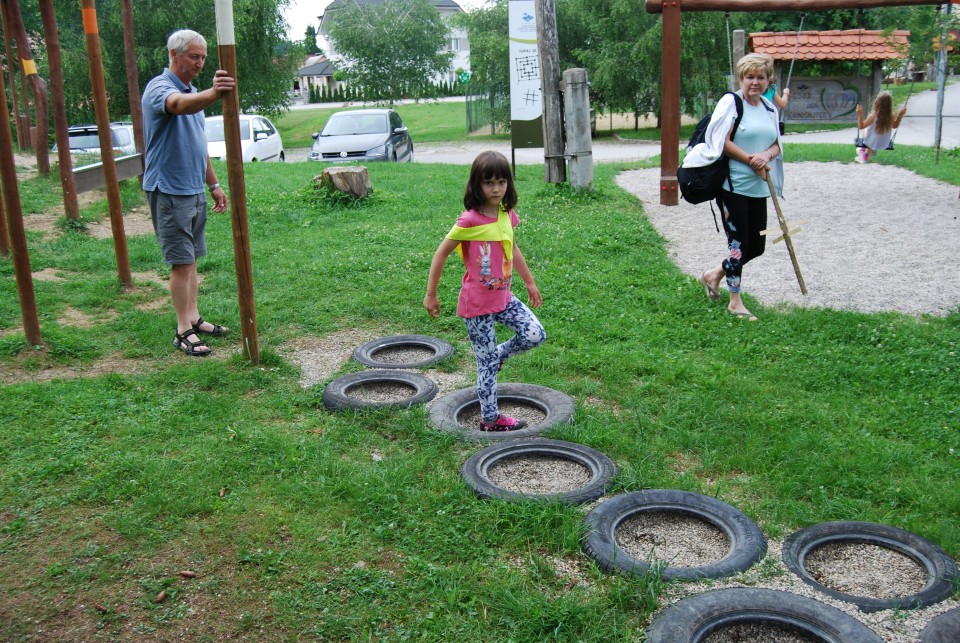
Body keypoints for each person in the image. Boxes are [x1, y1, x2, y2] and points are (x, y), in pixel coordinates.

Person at [423, 151, 546, 431]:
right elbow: (440, 254)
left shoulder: (507, 215)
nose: (495, 188)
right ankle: (490, 419)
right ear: (476, 185)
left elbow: (512, 248)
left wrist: (529, 282)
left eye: (501, 182)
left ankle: (498, 354)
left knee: (535, 334)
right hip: (476, 304)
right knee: (486, 365)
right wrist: (431, 294)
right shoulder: (469, 221)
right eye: (489, 182)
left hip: (503, 297)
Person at [142, 30, 235, 356]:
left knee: (192, 259)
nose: (200, 63)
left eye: (203, 58)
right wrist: (213, 93)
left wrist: (214, 184)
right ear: (174, 54)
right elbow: (177, 106)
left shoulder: (193, 92)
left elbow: (199, 147)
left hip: (193, 188)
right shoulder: (161, 88)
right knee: (181, 263)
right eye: (194, 56)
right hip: (169, 189)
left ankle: (194, 318)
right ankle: (183, 330)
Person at [692, 53, 784, 321]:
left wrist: (766, 156)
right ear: (741, 78)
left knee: (757, 246)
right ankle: (735, 301)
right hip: (733, 185)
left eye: (760, 77)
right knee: (738, 245)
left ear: (769, 81)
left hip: (759, 186)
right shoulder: (731, 103)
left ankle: (713, 274)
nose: (754, 82)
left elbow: (778, 142)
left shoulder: (769, 108)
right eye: (749, 77)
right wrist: (749, 159)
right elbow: (720, 140)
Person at [855, 92, 906, 164]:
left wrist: (860, 114)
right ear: (890, 105)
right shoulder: (891, 116)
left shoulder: (873, 116)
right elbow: (894, 126)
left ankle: (864, 156)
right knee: (873, 134)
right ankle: (864, 152)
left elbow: (861, 126)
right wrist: (900, 115)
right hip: (884, 144)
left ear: (877, 102)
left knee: (866, 129)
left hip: (872, 142)